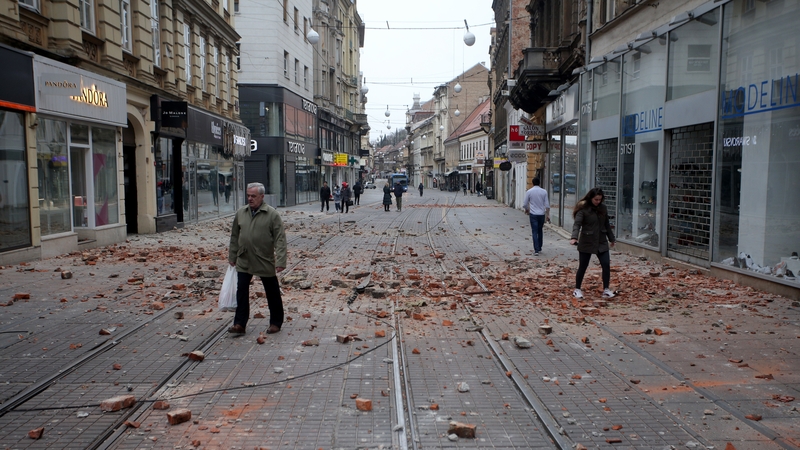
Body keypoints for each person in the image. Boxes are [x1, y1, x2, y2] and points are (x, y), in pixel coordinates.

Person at [227, 182, 287, 335]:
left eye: (253, 196)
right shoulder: (241, 213)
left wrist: (280, 261)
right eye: (248, 195)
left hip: (263, 258)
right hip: (244, 258)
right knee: (241, 292)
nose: (250, 198)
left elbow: (280, 238)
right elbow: (234, 236)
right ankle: (239, 324)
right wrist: (232, 255)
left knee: (272, 291)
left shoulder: (272, 214)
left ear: (262, 196)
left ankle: (276, 322)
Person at [570, 187, 616, 299]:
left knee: (606, 264)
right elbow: (577, 224)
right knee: (583, 266)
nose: (598, 201)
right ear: (591, 198)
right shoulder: (583, 209)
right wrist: (574, 237)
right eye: (596, 199)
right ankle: (577, 289)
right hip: (587, 241)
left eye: (600, 199)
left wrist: (611, 238)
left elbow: (606, 224)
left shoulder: (603, 209)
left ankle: (606, 289)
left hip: (601, 240)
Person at [523, 177, 550, 256]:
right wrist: (548, 214)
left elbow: (525, 204)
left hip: (533, 214)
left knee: (534, 231)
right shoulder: (544, 192)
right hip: (541, 214)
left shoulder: (529, 192)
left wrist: (527, 209)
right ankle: (540, 246)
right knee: (540, 230)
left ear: (532, 183)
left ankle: (536, 249)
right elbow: (547, 205)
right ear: (539, 183)